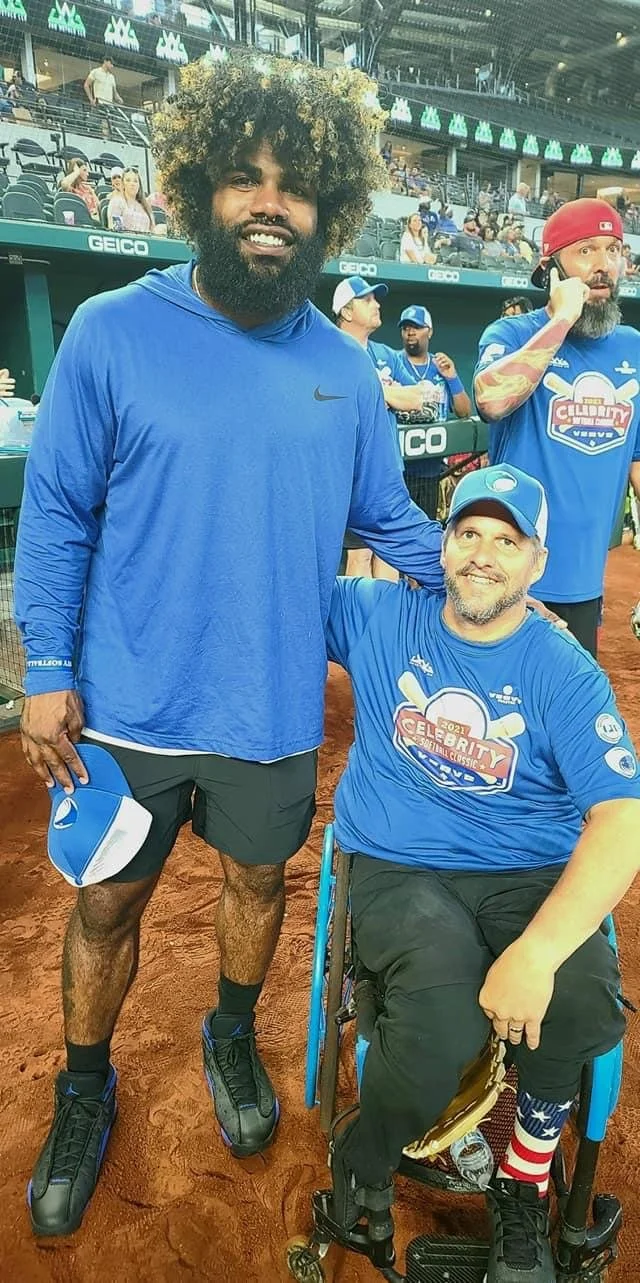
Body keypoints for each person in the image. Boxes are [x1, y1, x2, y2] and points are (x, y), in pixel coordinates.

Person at [14, 51, 445, 1240]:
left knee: (257, 882)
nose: (269, 204)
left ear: (328, 208)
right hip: (127, 704)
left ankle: (229, 1033)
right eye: (245, 177)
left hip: (270, 704)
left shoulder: (344, 368)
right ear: (198, 184)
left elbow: (386, 515)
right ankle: (84, 1086)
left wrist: (478, 576)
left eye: (295, 186)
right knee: (109, 906)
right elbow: (55, 513)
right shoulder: (109, 331)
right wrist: (45, 668)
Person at [324, 463, 640, 1283]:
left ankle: (522, 1182)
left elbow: (622, 819)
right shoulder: (378, 613)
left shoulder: (562, 668)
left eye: (507, 540)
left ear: (538, 562)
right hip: (400, 863)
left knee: (577, 999)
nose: (483, 554)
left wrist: (536, 953)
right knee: (441, 1018)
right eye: (468, 533)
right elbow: (273, 580)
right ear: (442, 545)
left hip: (525, 866)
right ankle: (363, 1159)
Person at [473, 198, 640, 657]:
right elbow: (491, 400)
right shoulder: (511, 334)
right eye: (586, 250)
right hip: (507, 578)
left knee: (568, 698)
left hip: (584, 582)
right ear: (551, 269)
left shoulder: (634, 348)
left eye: (613, 249)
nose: (603, 265)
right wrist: (562, 318)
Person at [331, 275, 425, 579]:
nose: (377, 304)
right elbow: (335, 398)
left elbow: (416, 398)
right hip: (349, 467)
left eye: (375, 299)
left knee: (390, 549)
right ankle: (357, 612)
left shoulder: (386, 354)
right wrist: (385, 393)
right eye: (367, 300)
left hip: (387, 465)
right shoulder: (330, 350)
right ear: (346, 311)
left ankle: (387, 610)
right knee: (359, 553)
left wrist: (370, 392)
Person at [394, 304, 472, 519]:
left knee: (426, 526)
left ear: (429, 331)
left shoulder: (440, 365)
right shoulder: (393, 362)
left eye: (416, 327)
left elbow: (464, 412)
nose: (410, 332)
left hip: (432, 470)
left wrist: (452, 377)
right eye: (406, 328)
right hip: (398, 470)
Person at [107, 167, 155, 233]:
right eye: (128, 180)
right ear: (123, 184)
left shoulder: (145, 206)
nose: (132, 184)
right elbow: (116, 230)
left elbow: (153, 230)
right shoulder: (116, 202)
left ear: (139, 185)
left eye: (135, 181)